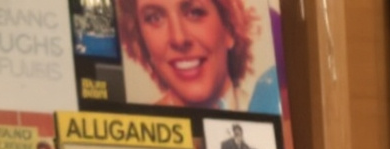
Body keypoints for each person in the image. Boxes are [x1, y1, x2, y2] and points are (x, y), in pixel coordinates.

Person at [116, 0, 278, 114]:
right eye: (154, 18)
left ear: (229, 27)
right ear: (141, 40)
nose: (178, 38)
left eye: (194, 12)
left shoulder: (269, 108)